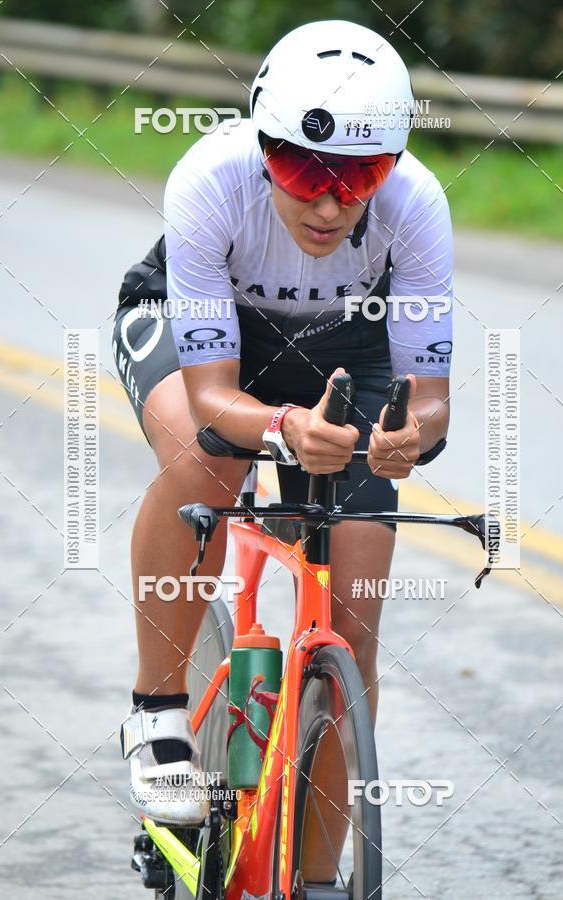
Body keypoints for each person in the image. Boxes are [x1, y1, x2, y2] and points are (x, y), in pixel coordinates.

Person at [114, 17, 452, 874]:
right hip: (208, 343)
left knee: (354, 625)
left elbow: (433, 399)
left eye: (360, 176)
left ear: (390, 168)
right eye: (305, 171)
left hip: (348, 347)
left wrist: (410, 438)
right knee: (208, 458)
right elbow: (212, 396)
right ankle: (157, 715)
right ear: (266, 148)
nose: (332, 205)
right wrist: (282, 428)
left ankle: (311, 878)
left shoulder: (417, 206)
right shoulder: (210, 179)